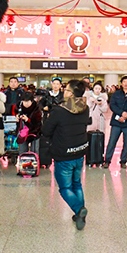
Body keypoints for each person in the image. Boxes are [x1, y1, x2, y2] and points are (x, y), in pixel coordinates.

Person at [41, 79, 89, 230]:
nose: (64, 92)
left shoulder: (59, 111)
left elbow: (46, 130)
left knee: (65, 188)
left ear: (71, 94)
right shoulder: (85, 107)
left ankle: (79, 209)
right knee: (77, 184)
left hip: (64, 154)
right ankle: (79, 215)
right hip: (79, 151)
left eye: (67, 90)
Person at [103, 75, 127, 169]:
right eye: (124, 82)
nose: (126, 83)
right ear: (121, 83)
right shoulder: (116, 94)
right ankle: (107, 160)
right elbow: (112, 105)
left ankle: (123, 161)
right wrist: (121, 113)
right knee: (112, 142)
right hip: (116, 122)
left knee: (126, 143)